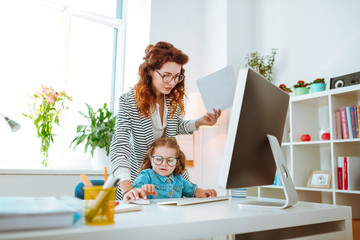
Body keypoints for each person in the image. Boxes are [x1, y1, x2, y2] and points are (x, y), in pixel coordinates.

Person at [110, 41, 221, 200]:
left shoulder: (173, 100)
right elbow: (120, 146)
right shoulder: (129, 101)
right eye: (166, 75)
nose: (172, 82)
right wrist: (128, 190)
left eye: (176, 76)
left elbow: (175, 126)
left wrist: (199, 122)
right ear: (149, 71)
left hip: (171, 179)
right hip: (140, 184)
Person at [123, 137, 217, 202]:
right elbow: (134, 194)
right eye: (159, 159)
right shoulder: (146, 175)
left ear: (176, 162)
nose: (164, 164)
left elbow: (194, 191)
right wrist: (142, 191)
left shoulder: (178, 179)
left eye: (170, 160)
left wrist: (204, 192)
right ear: (151, 160)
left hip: (175, 218)